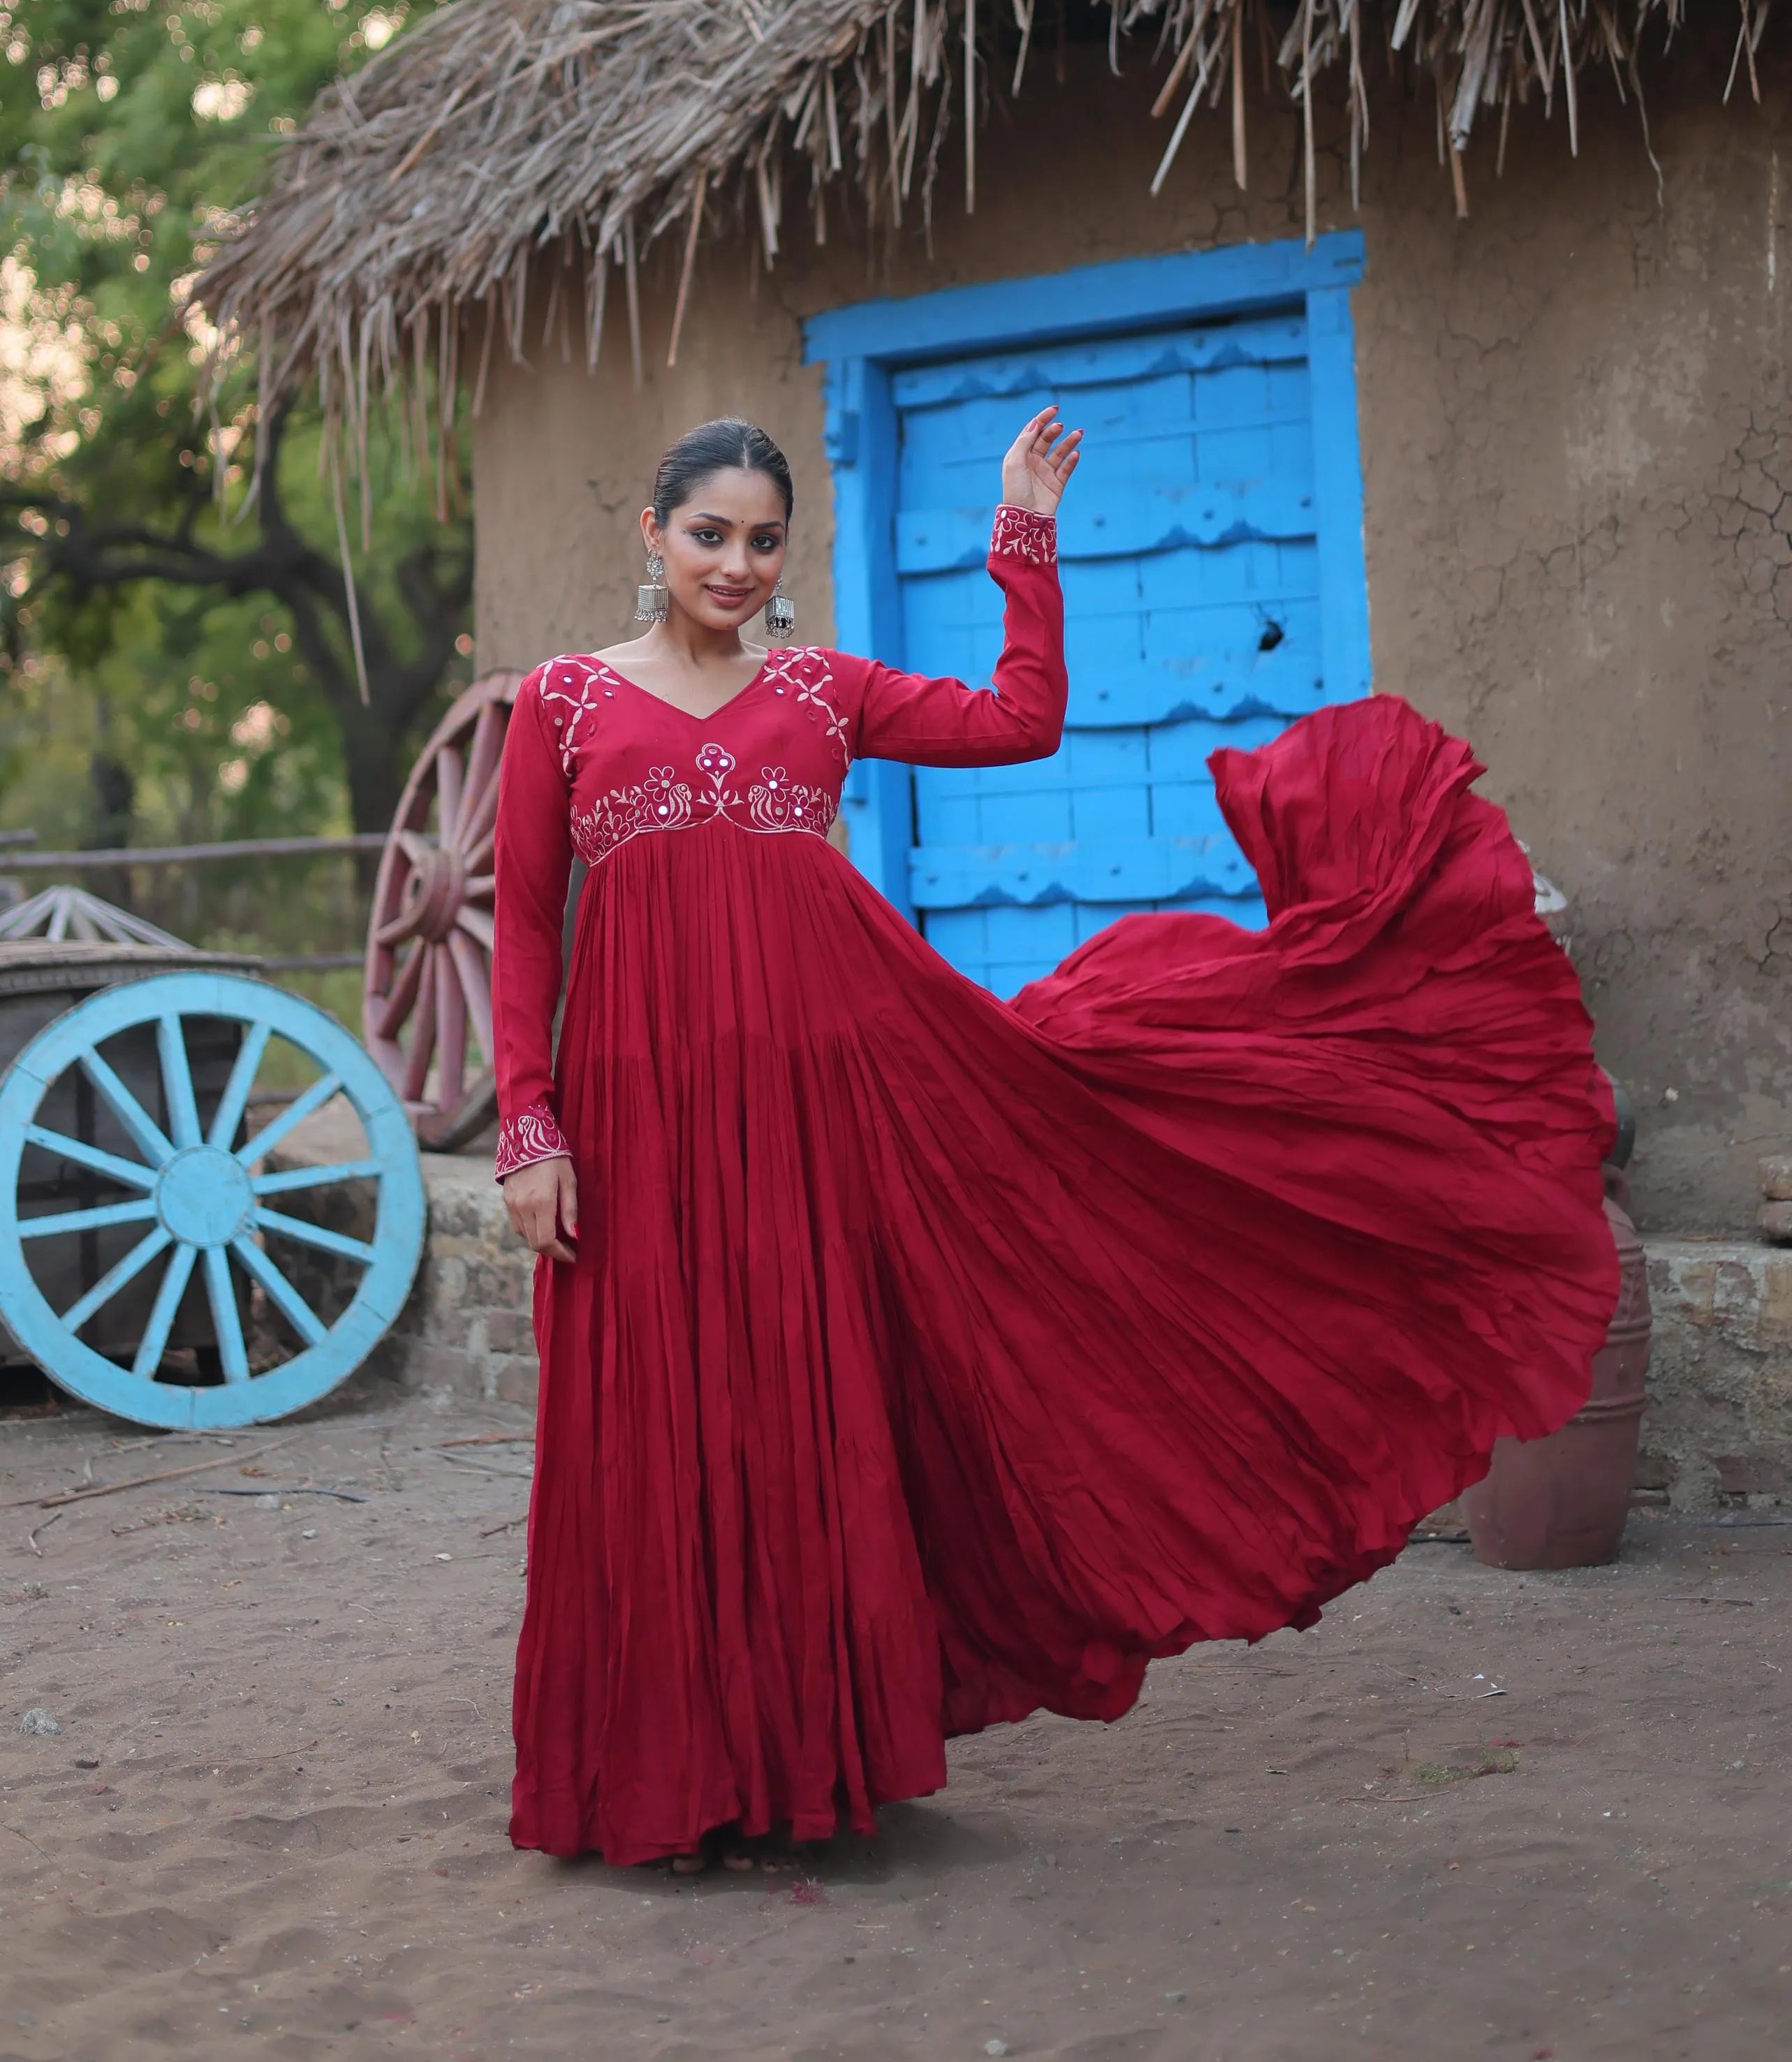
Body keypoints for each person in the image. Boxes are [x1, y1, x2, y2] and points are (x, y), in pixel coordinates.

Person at [491, 410, 1615, 1873]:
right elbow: (521, 921)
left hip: (817, 1111)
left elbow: (1020, 719)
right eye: (708, 533)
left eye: (765, 539)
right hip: (635, 1118)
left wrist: (1023, 528)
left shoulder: (823, 691)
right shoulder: (565, 702)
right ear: (653, 538)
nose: (735, 562)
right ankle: (659, 1774)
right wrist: (528, 1123)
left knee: (797, 1405)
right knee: (657, 1418)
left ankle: (796, 1766)